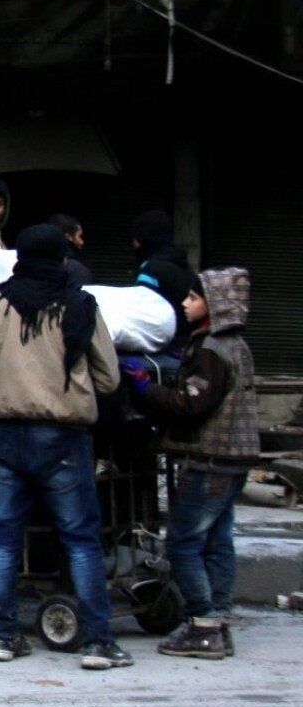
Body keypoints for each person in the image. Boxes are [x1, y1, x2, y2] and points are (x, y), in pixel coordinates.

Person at [0, 224, 126, 671]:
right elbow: (109, 379)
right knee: (80, 540)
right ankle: (97, 642)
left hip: (7, 435)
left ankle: (3, 636)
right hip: (63, 438)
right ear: (62, 259)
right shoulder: (80, 304)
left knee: (4, 539)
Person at [134, 268, 257, 660]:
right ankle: (217, 623)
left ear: (213, 304)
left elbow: (190, 405)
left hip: (210, 461)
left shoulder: (211, 350)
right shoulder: (234, 345)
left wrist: (146, 388)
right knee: (217, 542)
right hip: (234, 459)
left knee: (184, 542)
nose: (185, 304)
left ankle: (203, 624)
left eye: (193, 297)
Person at [47, 214, 92, 286]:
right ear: (68, 237)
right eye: (79, 236)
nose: (81, 242)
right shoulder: (75, 268)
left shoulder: (33, 264)